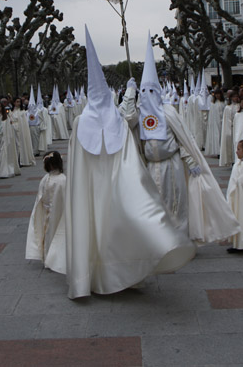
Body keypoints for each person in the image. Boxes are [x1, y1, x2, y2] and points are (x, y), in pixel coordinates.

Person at [44, 28, 195, 299]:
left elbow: (128, 155)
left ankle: (118, 273)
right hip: (100, 190)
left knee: (112, 229)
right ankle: (109, 275)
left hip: (110, 189)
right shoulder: (84, 124)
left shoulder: (108, 122)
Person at [121, 36, 239, 244]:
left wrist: (191, 160)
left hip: (171, 165)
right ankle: (157, 241)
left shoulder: (168, 113)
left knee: (175, 203)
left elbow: (182, 140)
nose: (147, 95)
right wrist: (130, 93)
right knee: (153, 205)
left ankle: (178, 240)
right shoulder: (139, 114)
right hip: (149, 167)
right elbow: (126, 119)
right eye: (144, 91)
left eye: (151, 91)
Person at [25, 151, 66, 262]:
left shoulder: (48, 179)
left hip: (50, 211)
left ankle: (49, 256)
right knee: (54, 234)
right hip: (56, 212)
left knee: (49, 234)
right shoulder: (62, 179)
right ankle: (52, 257)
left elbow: (41, 197)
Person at [0, 103, 19, 179]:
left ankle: (3, 170)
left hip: (3, 137)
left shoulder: (6, 118)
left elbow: (8, 128)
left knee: (2, 153)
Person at [11, 98, 36, 167]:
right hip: (13, 131)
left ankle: (21, 160)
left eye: (19, 102)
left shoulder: (22, 112)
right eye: (16, 102)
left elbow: (23, 123)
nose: (18, 103)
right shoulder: (11, 112)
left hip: (20, 131)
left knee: (20, 145)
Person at [218, 92, 238, 167]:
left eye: (236, 96)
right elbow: (227, 119)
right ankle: (231, 159)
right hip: (230, 128)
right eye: (234, 97)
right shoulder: (228, 107)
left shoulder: (238, 107)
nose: (235, 98)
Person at [204, 89, 224, 157]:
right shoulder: (213, 104)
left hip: (222, 122)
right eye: (216, 94)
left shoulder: (224, 103)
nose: (218, 95)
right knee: (217, 136)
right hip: (215, 123)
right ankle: (217, 151)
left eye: (219, 94)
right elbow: (212, 115)